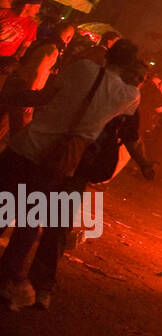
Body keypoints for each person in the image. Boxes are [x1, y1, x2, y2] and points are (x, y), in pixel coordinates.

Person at [0, 40, 147, 310]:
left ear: (108, 53)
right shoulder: (129, 96)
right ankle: (7, 279)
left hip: (26, 146)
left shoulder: (82, 68)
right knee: (29, 224)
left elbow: (44, 97)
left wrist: (15, 96)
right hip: (58, 163)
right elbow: (129, 127)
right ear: (128, 66)